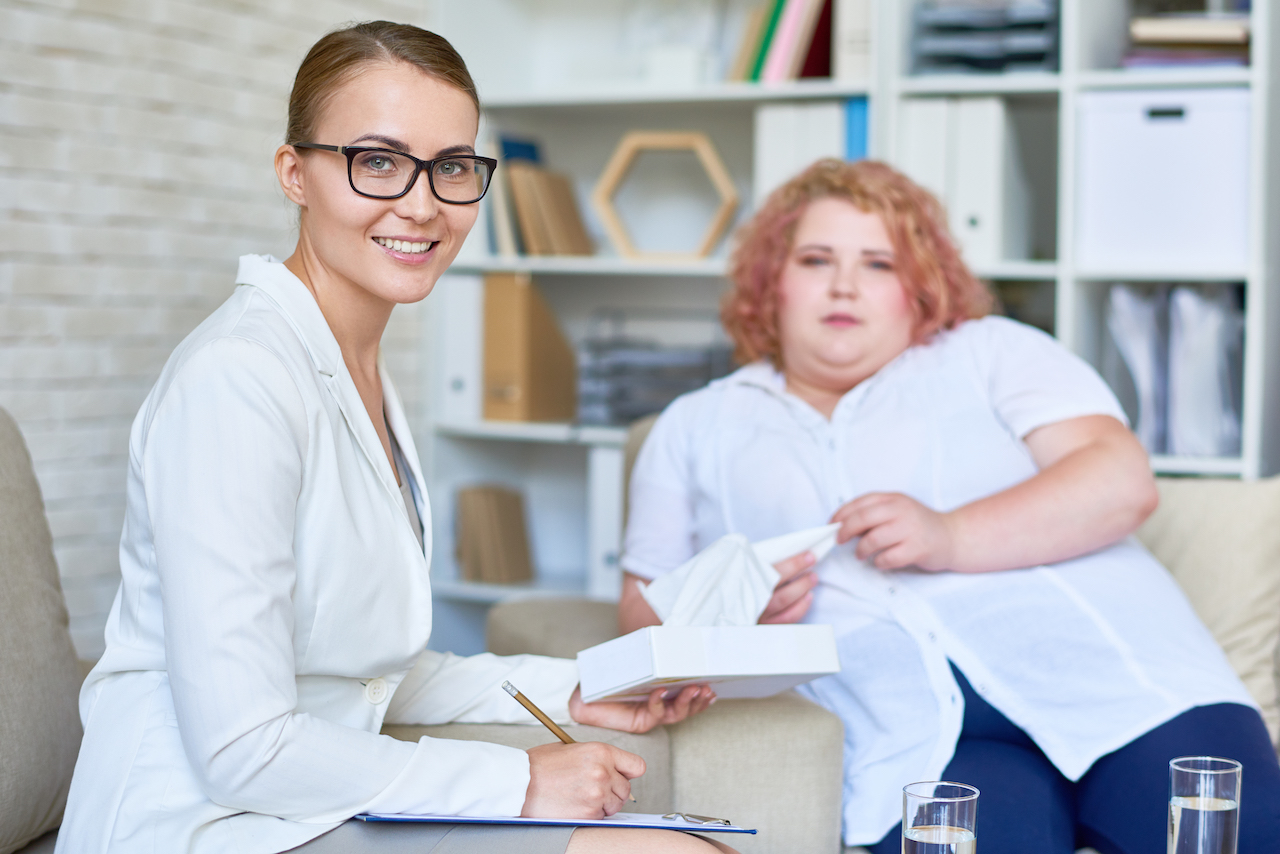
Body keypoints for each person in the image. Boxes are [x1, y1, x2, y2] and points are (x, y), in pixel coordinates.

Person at [55, 22, 735, 854]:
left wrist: (584, 687)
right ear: (293, 174)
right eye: (377, 161)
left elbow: (362, 668)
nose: (421, 205)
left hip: (308, 802)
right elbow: (241, 746)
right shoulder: (236, 381)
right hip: (207, 822)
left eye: (451, 166)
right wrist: (518, 782)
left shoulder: (349, 366)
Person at [618, 158, 1280, 854]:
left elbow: (1120, 480)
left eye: (879, 263)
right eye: (816, 259)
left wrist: (949, 534)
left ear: (919, 287)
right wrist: (730, 614)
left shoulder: (991, 352)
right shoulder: (694, 425)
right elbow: (638, 611)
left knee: (1243, 839)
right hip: (918, 734)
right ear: (769, 282)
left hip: (1128, 685)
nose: (844, 283)